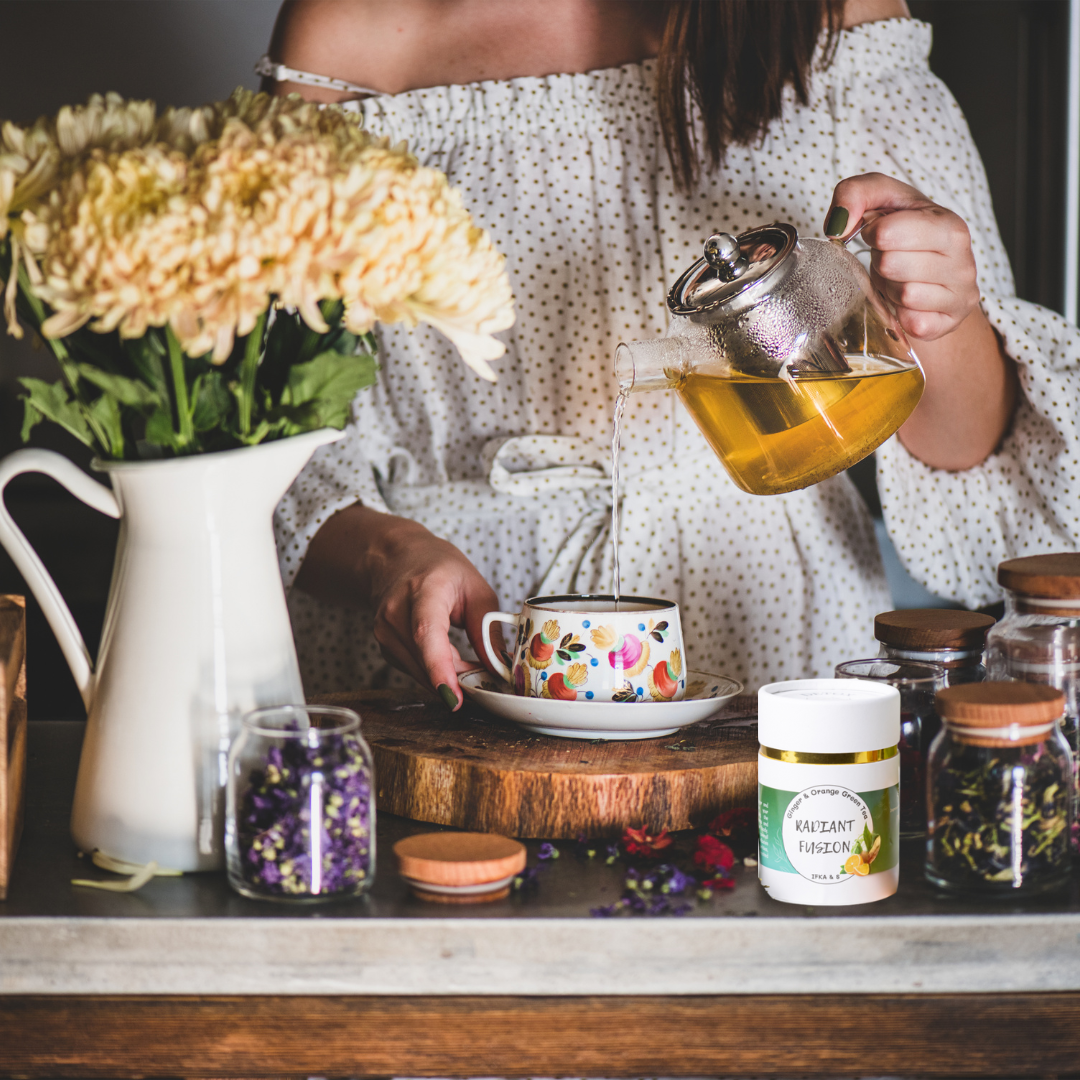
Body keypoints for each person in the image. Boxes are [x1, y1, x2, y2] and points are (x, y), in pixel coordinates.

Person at [264, 0, 1080, 706]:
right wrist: (389, 556)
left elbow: (981, 458)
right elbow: (271, 436)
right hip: (468, 648)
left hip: (771, 631)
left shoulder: (836, 23)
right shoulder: (355, 39)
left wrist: (946, 315)